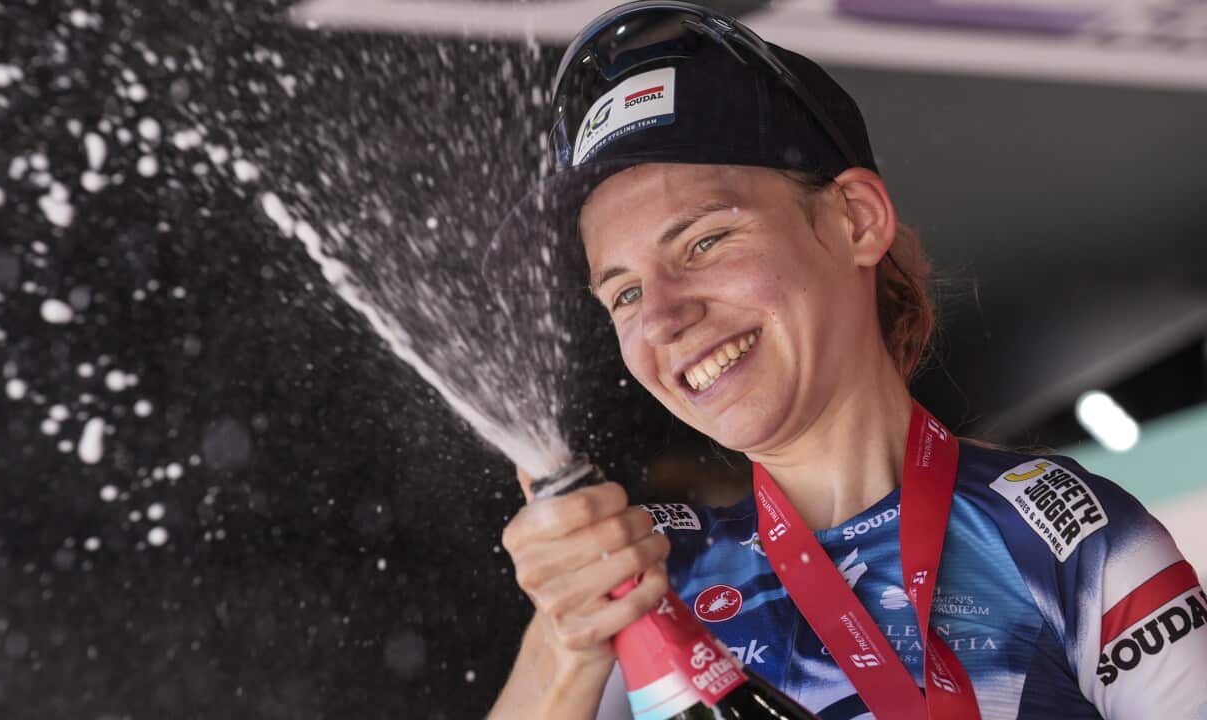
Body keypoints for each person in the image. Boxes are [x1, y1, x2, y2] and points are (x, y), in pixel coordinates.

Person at [487, 2, 1207, 718]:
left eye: (704, 242)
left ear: (856, 220)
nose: (664, 318)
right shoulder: (654, 581)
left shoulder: (1060, 533)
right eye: (625, 293)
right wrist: (566, 647)